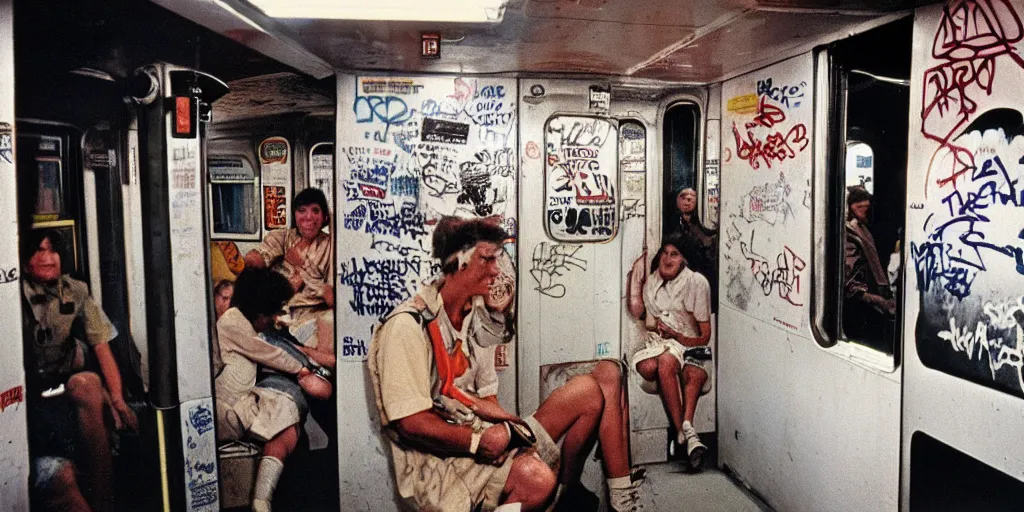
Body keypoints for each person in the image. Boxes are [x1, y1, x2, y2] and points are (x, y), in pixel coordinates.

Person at [368, 216, 645, 512]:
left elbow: (485, 398)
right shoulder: (408, 326)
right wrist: (479, 442)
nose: (496, 270)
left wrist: (513, 432)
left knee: (591, 390)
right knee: (535, 480)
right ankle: (545, 491)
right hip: (440, 465)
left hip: (479, 432)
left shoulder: (476, 318)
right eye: (487, 260)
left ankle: (575, 497)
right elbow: (411, 423)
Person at [21, 230, 138, 512]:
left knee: (88, 383)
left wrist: (118, 398)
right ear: (24, 261)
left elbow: (100, 344)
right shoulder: (12, 294)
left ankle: (103, 500)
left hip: (58, 386)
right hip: (23, 396)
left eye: (53, 250)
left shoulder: (75, 290)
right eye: (39, 251)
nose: (49, 259)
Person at [214, 268, 332, 512]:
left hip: (242, 402)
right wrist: (301, 369)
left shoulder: (245, 322)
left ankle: (261, 499)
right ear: (259, 310)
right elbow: (270, 353)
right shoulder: (232, 322)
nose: (274, 319)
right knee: (288, 413)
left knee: (288, 422)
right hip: (227, 410)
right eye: (272, 313)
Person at [627, 236, 712, 470]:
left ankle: (683, 434)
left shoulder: (696, 283)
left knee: (668, 364)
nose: (667, 258)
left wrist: (675, 335)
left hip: (690, 344)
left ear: (683, 259)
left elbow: (704, 336)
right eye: (664, 253)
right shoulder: (652, 282)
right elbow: (649, 320)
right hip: (664, 343)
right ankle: (686, 432)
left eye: (674, 254)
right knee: (649, 366)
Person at [244, 188, 335, 367]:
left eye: (315, 211)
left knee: (329, 323)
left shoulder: (331, 245)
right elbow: (254, 258)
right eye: (302, 210)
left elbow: (331, 298)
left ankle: (299, 353)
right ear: (294, 215)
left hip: (310, 317)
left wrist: (304, 272)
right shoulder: (282, 237)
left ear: (324, 217)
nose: (308, 217)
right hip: (276, 316)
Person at [844, 186, 895, 350]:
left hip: (873, 304)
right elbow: (852, 289)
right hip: (862, 311)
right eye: (861, 206)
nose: (866, 208)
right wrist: (882, 303)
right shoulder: (849, 235)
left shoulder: (862, 228)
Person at [672, 187, 718, 312]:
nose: (687, 201)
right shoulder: (672, 226)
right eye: (683, 197)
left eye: (691, 198)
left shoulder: (704, 223)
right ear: (676, 201)